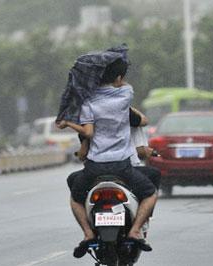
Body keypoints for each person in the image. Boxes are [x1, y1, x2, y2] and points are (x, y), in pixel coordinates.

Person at [57, 58, 157, 258]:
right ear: (119, 78)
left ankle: (87, 234)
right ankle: (135, 231)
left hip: (94, 168)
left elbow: (89, 133)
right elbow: (140, 117)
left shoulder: (87, 102)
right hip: (122, 166)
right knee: (150, 193)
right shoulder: (126, 95)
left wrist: (68, 123)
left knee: (76, 199)